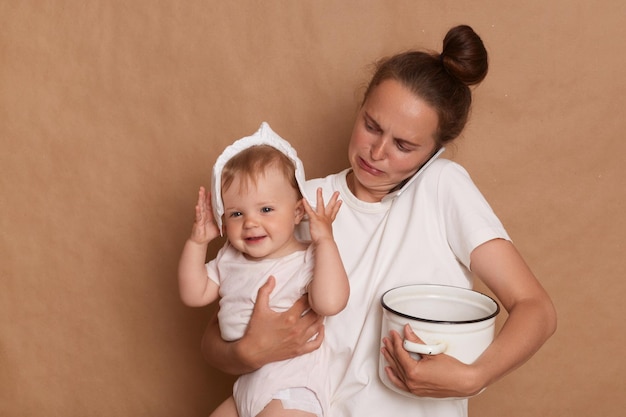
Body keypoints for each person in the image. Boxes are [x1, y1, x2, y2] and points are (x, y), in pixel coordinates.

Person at [200, 25, 557, 417]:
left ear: (434, 152)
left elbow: (535, 308)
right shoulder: (303, 203)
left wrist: (475, 376)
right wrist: (247, 351)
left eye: (404, 145)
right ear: (360, 108)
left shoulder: (442, 188)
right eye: (371, 126)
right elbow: (219, 329)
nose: (377, 152)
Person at [178, 122, 349, 417]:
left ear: (298, 212)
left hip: (292, 391)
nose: (251, 222)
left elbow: (330, 303)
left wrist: (325, 241)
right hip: (246, 387)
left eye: (266, 209)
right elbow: (194, 294)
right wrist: (197, 243)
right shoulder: (229, 257)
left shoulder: (307, 258)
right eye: (236, 213)